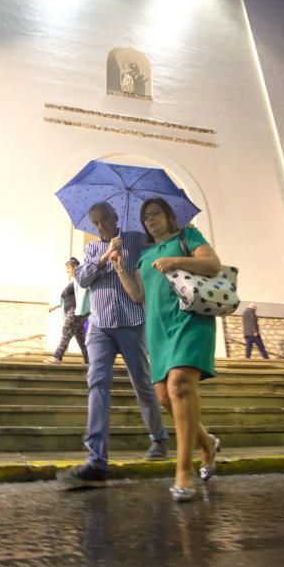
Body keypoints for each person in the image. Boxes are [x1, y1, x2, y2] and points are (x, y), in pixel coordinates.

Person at [111, 197, 222, 502]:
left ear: (168, 215)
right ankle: (207, 443)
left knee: (180, 385)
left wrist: (177, 261)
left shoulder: (188, 237)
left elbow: (213, 265)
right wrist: (121, 270)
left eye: (156, 213)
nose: (151, 219)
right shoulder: (145, 256)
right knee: (164, 395)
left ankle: (183, 471)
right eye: (146, 217)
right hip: (158, 329)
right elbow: (138, 296)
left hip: (191, 320)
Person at [57, 201, 168, 487]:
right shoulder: (92, 249)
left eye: (105, 219)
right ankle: (96, 459)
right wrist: (106, 256)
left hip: (133, 323)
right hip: (100, 326)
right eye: (96, 223)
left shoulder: (136, 239)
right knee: (97, 383)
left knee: (142, 383)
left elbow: (151, 267)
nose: (101, 225)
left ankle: (159, 439)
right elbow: (82, 278)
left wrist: (127, 256)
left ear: (116, 216)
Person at [45, 258, 90, 365]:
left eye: (68, 269)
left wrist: (90, 309)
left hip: (76, 312)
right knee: (81, 337)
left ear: (74, 267)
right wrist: (55, 306)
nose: (67, 271)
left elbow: (86, 294)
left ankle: (57, 356)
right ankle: (89, 360)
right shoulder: (74, 281)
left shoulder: (81, 280)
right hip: (75, 311)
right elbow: (68, 299)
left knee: (67, 330)